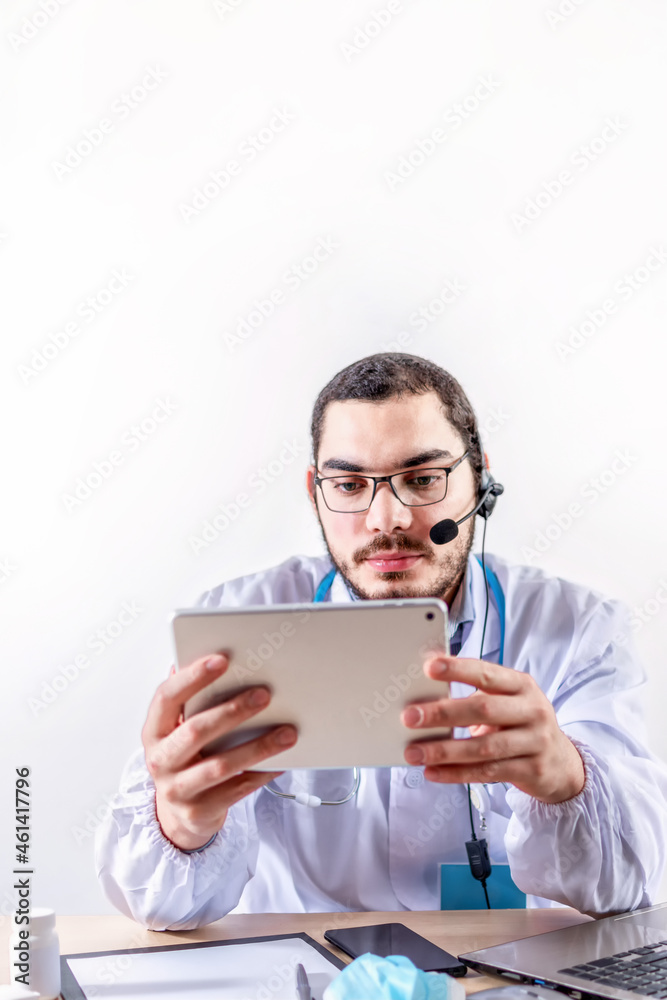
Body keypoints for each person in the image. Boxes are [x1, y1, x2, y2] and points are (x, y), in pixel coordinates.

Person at [95, 352, 667, 930]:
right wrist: (181, 823)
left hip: (507, 980)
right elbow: (163, 911)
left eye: (422, 479)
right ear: (315, 492)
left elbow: (627, 889)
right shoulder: (235, 625)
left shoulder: (579, 630)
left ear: (481, 480)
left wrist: (569, 779)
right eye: (349, 484)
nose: (385, 519)